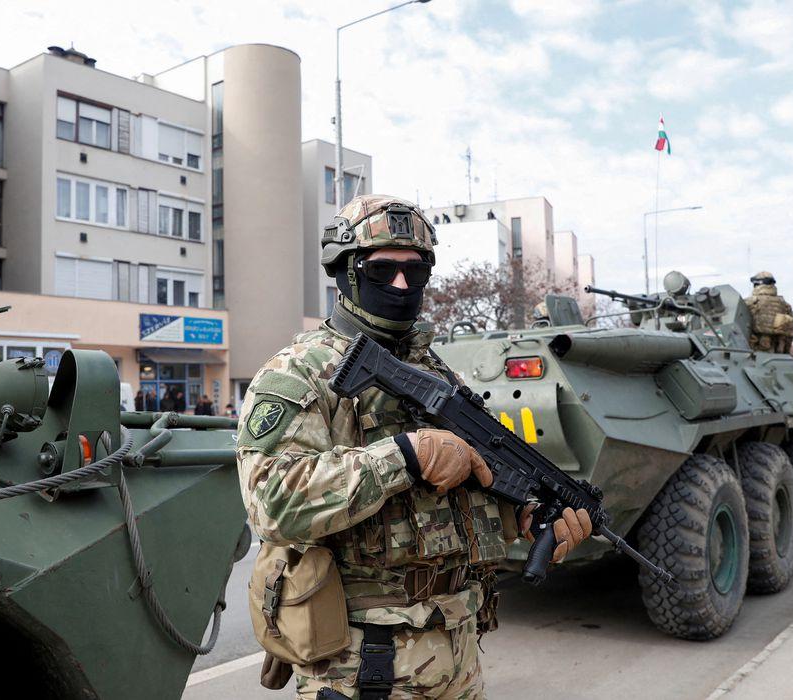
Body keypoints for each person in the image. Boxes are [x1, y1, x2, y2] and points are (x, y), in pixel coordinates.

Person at [236, 195, 592, 699]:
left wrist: (530, 522)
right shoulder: (299, 373)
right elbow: (272, 504)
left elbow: (459, 504)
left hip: (457, 652)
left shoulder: (437, 372)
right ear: (345, 272)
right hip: (363, 664)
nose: (402, 285)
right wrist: (405, 454)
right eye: (382, 270)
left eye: (416, 270)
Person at [743, 271, 793, 353]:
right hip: (778, 353)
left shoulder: (750, 303)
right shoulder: (785, 306)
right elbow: (790, 332)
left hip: (755, 352)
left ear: (757, 285)